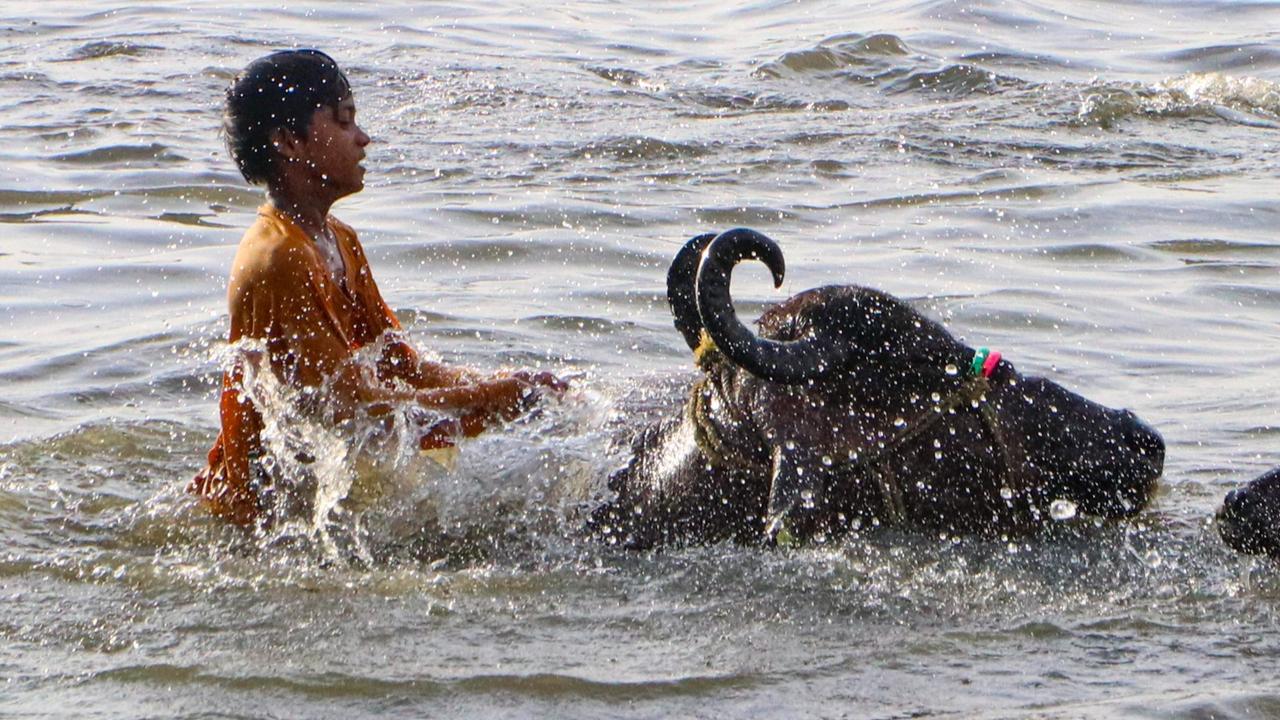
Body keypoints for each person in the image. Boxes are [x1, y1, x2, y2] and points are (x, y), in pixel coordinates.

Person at [191, 49, 564, 525]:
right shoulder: (278, 257)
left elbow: (401, 366)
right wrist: (492, 400)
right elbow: (354, 410)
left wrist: (512, 384)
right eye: (344, 122)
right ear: (289, 141)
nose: (363, 139)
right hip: (258, 518)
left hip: (306, 499)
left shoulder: (337, 239)